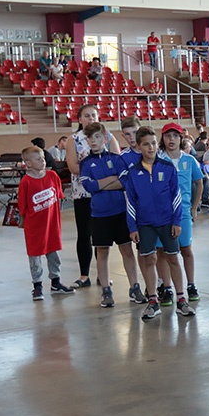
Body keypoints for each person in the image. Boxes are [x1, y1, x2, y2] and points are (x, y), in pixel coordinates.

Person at [122, 126, 195, 320]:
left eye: (154, 143)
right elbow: (131, 201)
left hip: (167, 222)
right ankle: (153, 301)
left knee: (173, 258)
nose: (151, 147)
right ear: (139, 146)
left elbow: (176, 197)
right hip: (145, 225)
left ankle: (181, 299)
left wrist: (177, 221)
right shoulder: (134, 172)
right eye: (146, 144)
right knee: (149, 259)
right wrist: (132, 227)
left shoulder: (167, 167)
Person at [78, 122, 145, 307]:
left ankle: (135, 287)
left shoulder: (117, 159)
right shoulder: (85, 163)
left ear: (105, 138)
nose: (93, 141)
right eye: (90, 138)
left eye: (97, 137)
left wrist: (100, 183)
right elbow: (89, 186)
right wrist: (110, 179)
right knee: (102, 252)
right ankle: (106, 290)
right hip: (99, 214)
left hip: (120, 211)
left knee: (127, 250)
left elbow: (124, 182)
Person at [65, 104, 121, 288]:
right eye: (87, 115)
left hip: (105, 192)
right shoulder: (73, 140)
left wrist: (100, 180)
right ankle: (83, 275)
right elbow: (73, 168)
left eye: (94, 115)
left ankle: (102, 275)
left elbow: (116, 161)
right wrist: (96, 173)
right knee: (84, 233)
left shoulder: (108, 136)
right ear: (79, 119)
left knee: (101, 236)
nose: (91, 118)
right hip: (83, 193)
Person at [17, 146, 75, 301]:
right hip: (34, 226)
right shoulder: (26, 182)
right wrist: (22, 222)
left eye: (42, 157)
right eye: (38, 159)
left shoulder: (52, 176)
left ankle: (56, 282)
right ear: (28, 163)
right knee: (35, 256)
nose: (42, 161)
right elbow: (22, 205)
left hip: (51, 224)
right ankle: (37, 286)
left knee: (53, 253)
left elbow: (58, 196)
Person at [156, 122, 204, 304]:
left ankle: (191, 284)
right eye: (168, 136)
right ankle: (166, 288)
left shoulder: (189, 160)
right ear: (163, 139)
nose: (172, 139)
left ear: (181, 138)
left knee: (186, 249)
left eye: (175, 136)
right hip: (162, 213)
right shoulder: (158, 160)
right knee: (163, 251)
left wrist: (194, 207)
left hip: (182, 211)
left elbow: (199, 182)